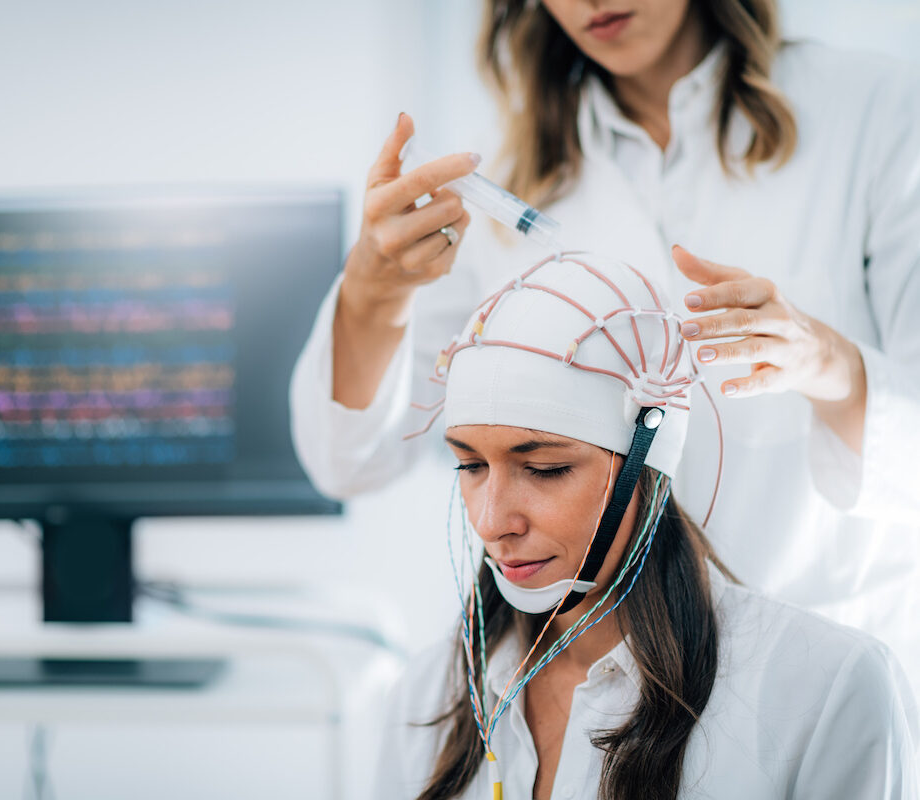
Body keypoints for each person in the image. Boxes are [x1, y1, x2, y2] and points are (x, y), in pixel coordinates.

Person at [290, 0, 920, 691]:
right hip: (591, 686)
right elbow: (348, 458)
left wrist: (829, 365)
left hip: (816, 673)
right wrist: (373, 292)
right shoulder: (494, 169)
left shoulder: (877, 112)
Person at [371, 254, 917, 800]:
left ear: (646, 460)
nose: (492, 523)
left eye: (545, 469)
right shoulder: (425, 697)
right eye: (470, 466)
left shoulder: (825, 691)